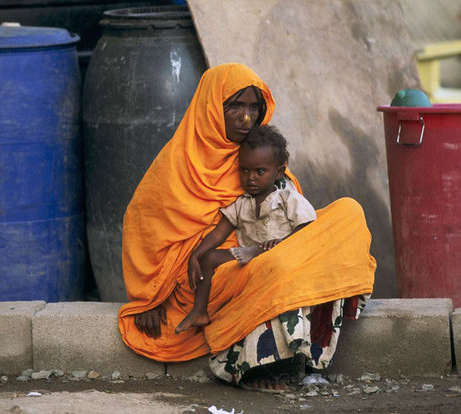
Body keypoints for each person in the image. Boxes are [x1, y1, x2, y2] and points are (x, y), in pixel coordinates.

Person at [118, 63, 375, 391]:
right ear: (210, 109)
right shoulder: (175, 166)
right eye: (234, 106)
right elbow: (143, 230)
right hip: (208, 280)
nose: (245, 118)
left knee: (347, 212)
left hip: (267, 251)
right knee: (278, 264)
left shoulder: (258, 156)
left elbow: (293, 220)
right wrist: (148, 299)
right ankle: (255, 367)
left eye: (253, 107)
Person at [174, 125, 317, 334]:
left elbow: (308, 227)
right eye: (244, 170)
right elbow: (218, 233)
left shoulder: (287, 197)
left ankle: (259, 251)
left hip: (279, 257)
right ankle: (199, 311)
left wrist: (281, 242)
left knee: (277, 250)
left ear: (278, 171)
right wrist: (196, 255)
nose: (250, 178)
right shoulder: (242, 202)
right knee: (209, 258)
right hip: (247, 259)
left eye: (260, 171)